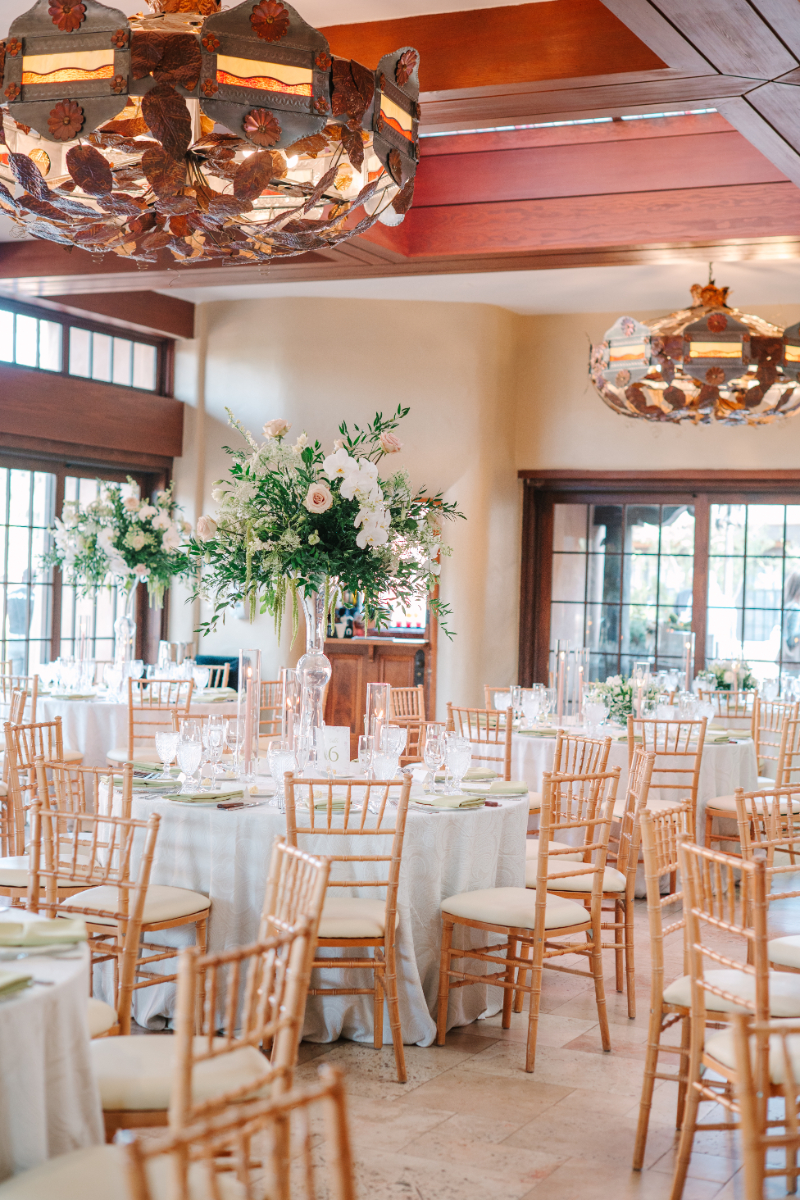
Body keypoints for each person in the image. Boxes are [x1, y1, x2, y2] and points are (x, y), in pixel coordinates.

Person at [782, 572, 800, 663]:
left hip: (786, 657)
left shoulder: (788, 606)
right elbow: (791, 640)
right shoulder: (795, 608)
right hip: (793, 658)